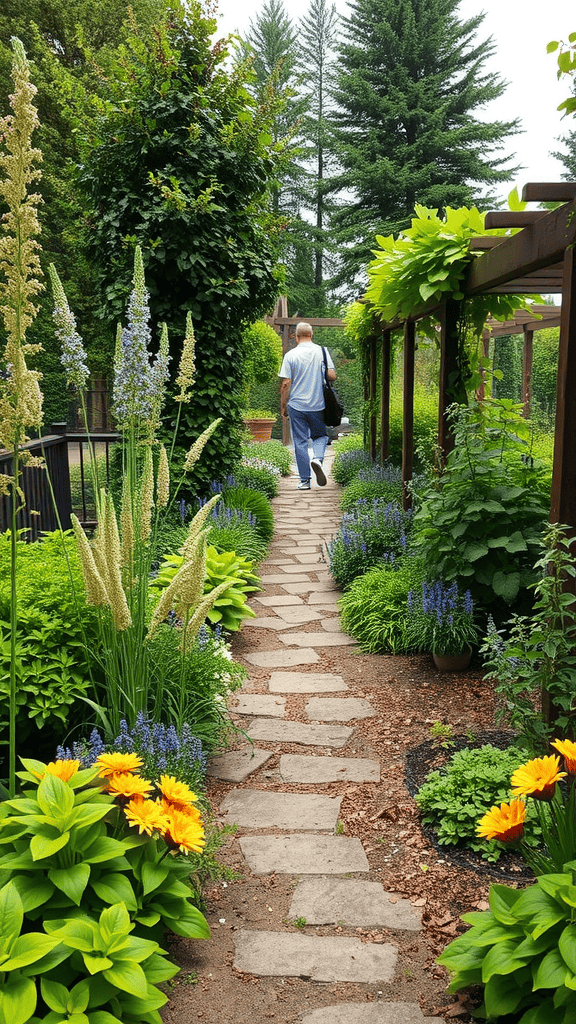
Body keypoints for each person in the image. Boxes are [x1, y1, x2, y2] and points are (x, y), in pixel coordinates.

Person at [279, 322, 336, 490]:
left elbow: (285, 383)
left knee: (300, 442)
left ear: (296, 337)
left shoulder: (291, 355)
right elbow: (332, 376)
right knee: (320, 436)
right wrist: (320, 369)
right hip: (318, 404)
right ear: (311, 335)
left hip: (297, 406)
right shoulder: (322, 352)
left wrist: (283, 406)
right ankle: (317, 459)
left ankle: (304, 481)